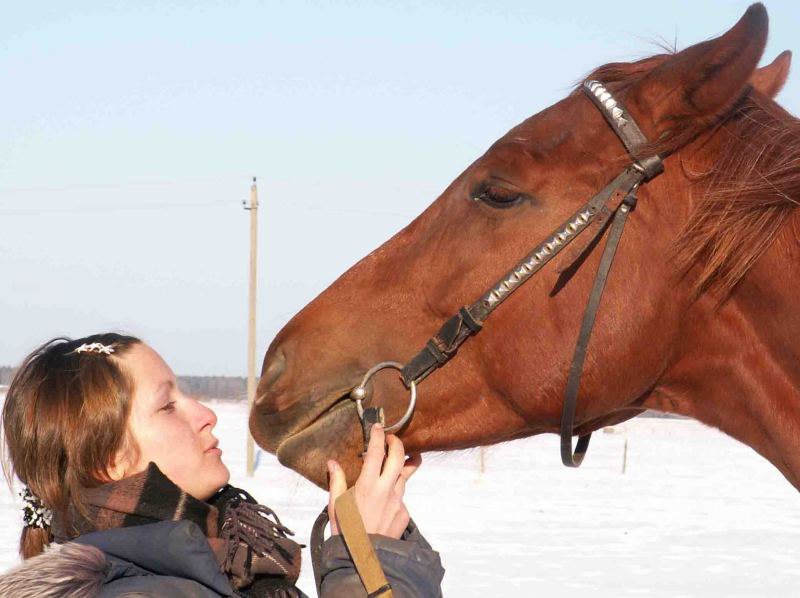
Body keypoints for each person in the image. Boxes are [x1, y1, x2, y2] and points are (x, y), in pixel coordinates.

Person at [0, 333, 444, 597]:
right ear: (109, 461)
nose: (205, 414)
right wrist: (369, 559)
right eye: (168, 407)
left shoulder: (219, 566)